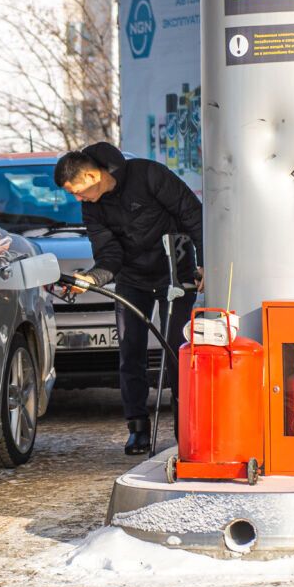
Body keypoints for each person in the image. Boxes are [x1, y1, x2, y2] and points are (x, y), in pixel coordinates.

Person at [54, 142, 203, 456]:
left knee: (177, 348)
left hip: (176, 272)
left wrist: (205, 262)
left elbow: (192, 213)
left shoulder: (148, 174)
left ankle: (184, 428)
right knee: (130, 349)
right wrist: (92, 278)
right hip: (133, 279)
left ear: (93, 175)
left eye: (77, 191)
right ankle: (137, 428)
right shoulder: (92, 207)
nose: (77, 199)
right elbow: (109, 254)